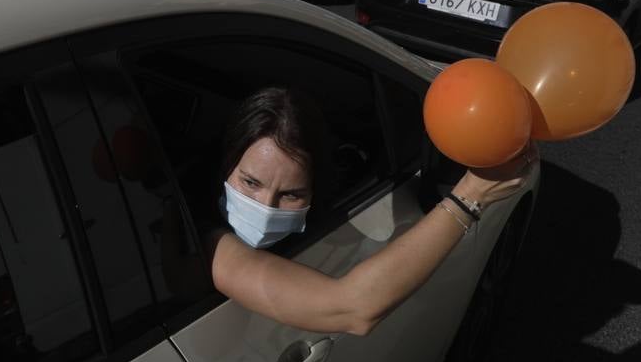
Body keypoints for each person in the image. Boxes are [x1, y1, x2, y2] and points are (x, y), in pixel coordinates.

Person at [207, 87, 536, 335]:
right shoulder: (209, 245)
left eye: (291, 194)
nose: (265, 208)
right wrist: (471, 195)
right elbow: (352, 308)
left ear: (315, 190)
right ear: (226, 163)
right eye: (250, 182)